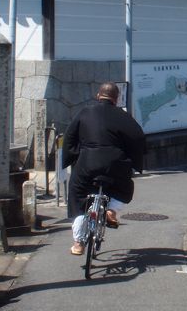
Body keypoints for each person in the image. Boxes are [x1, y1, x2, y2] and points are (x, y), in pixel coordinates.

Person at [62, 82, 145, 255]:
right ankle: (112, 210)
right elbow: (138, 138)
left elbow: (70, 136)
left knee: (78, 197)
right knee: (124, 187)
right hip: (115, 163)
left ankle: (78, 243)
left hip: (87, 161)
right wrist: (133, 161)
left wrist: (73, 156)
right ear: (117, 99)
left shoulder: (85, 112)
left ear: (98, 95)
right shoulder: (123, 116)